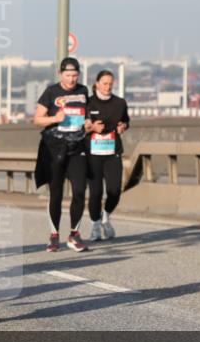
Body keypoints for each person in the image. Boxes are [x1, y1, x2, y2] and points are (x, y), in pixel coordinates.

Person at [33, 57, 90, 252]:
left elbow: (87, 115)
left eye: (75, 75)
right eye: (68, 75)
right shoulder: (51, 92)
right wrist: (54, 118)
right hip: (55, 147)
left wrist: (88, 124)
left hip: (78, 147)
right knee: (56, 192)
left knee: (80, 191)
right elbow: (37, 120)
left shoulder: (83, 92)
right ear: (60, 74)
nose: (72, 79)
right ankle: (54, 235)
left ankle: (74, 234)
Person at [85, 70, 130, 241]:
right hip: (93, 153)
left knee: (114, 191)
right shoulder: (88, 103)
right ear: (96, 84)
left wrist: (123, 126)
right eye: (104, 83)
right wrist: (90, 127)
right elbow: (81, 126)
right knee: (95, 193)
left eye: (110, 83)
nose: (107, 87)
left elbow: (126, 121)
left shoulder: (120, 103)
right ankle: (95, 225)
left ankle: (105, 216)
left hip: (112, 152)